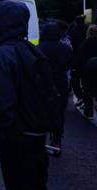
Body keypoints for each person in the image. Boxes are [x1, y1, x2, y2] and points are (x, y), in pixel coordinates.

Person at [0, 0, 50, 190]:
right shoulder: (31, 49)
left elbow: (2, 106)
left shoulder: (1, 55)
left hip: (17, 140)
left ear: (0, 24)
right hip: (37, 136)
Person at [38, 22, 72, 155]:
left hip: (43, 84)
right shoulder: (66, 48)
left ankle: (40, 139)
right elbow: (70, 64)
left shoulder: (38, 48)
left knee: (41, 111)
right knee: (59, 113)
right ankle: (57, 140)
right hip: (61, 83)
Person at [75, 24, 97, 119]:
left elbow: (80, 58)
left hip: (87, 72)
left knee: (88, 92)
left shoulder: (85, 43)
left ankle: (89, 113)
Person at [68, 16, 87, 101]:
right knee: (86, 78)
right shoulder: (87, 29)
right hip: (87, 57)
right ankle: (86, 94)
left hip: (76, 57)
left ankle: (80, 95)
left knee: (75, 78)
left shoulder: (73, 31)